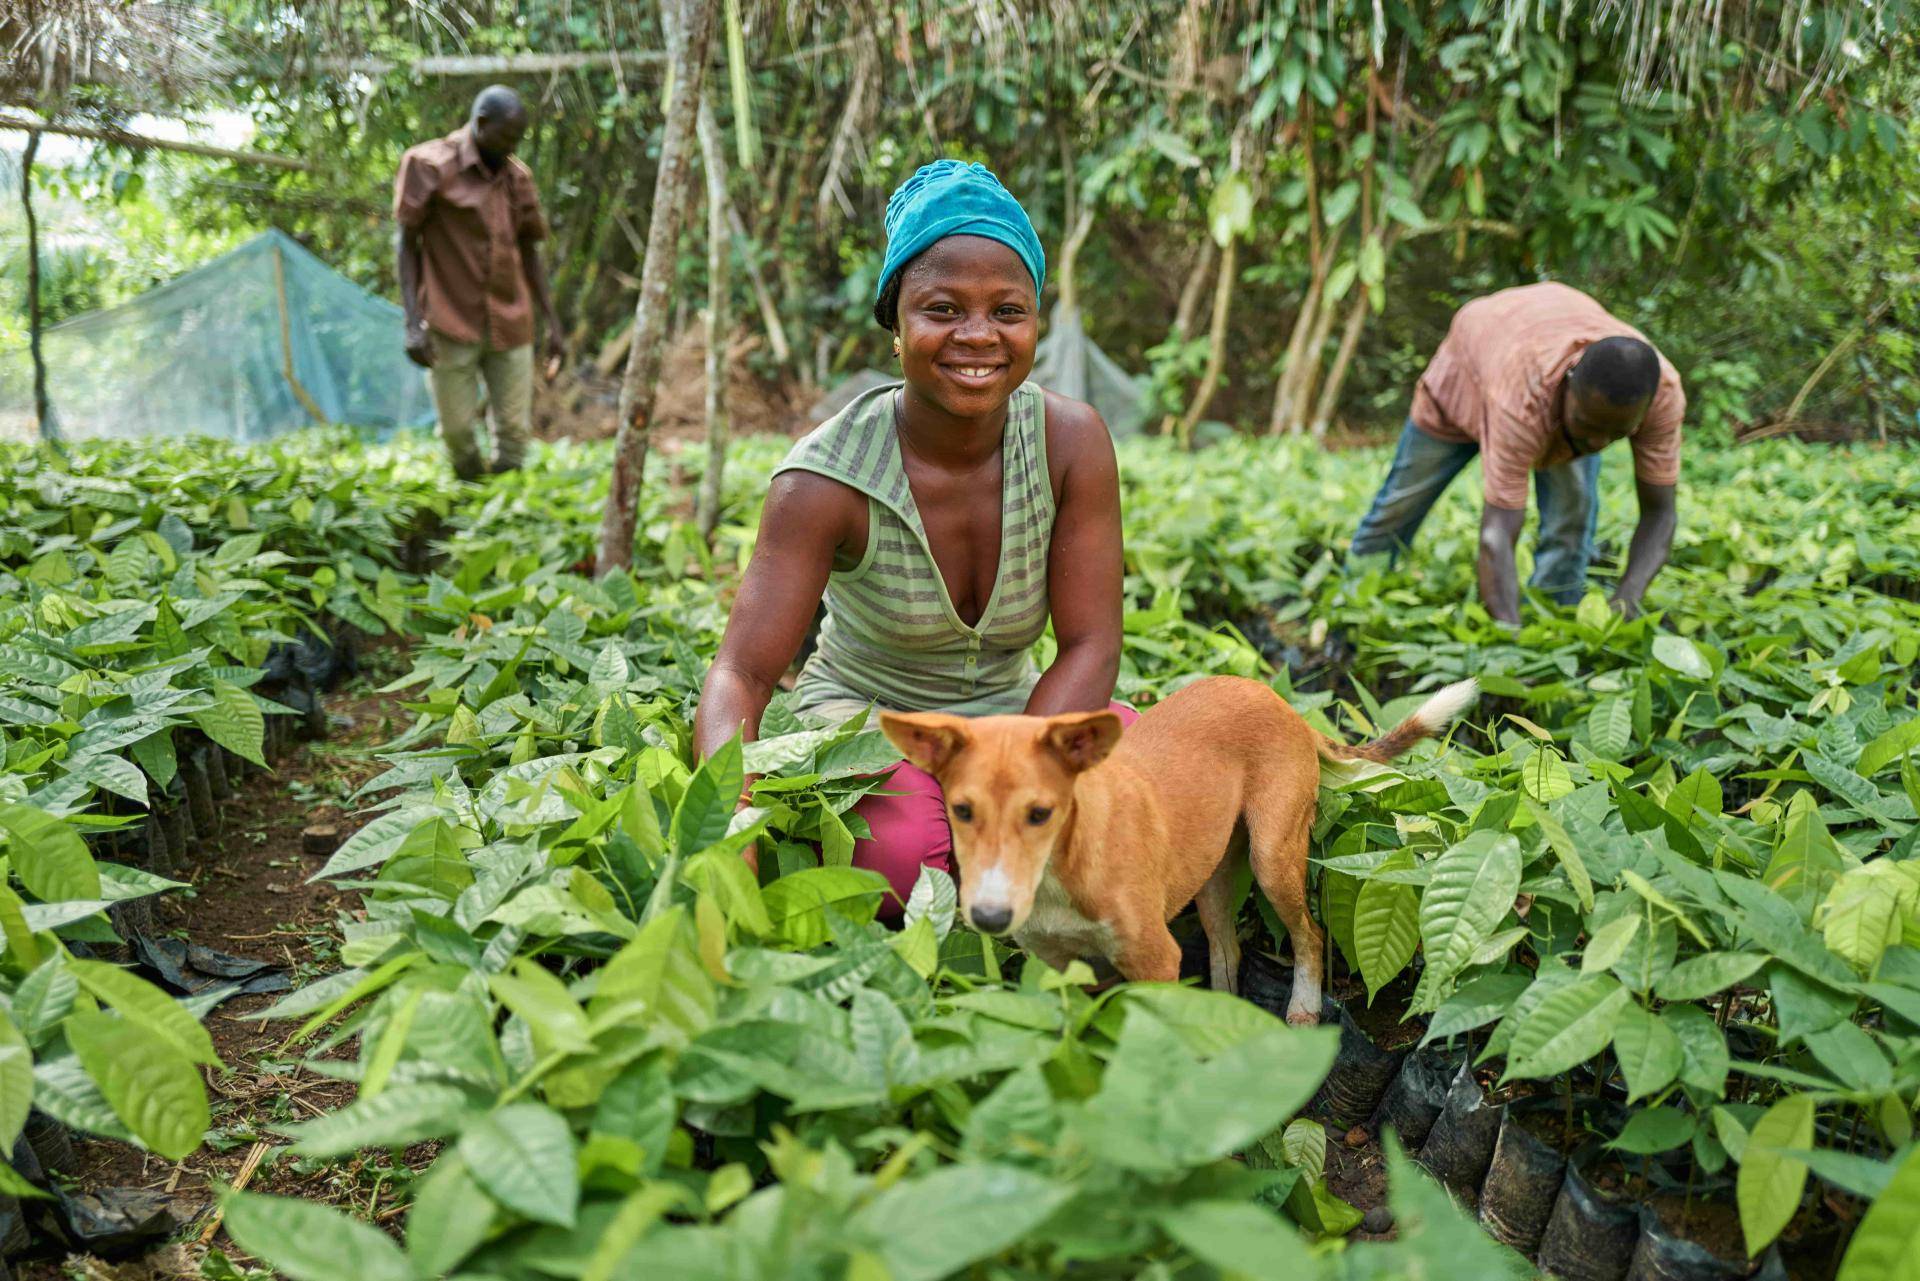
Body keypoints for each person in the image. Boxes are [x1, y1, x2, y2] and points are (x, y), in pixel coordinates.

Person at [693, 159, 1127, 914]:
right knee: (907, 863)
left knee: (1141, 774)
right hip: (872, 721)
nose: (978, 336)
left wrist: (1010, 772)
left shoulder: (1070, 443)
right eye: (943, 309)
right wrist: (732, 809)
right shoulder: (823, 480)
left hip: (1013, 713)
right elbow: (743, 671)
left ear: (1035, 323)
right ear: (896, 325)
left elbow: (1091, 644)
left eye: (1007, 311)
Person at [1348, 282, 1683, 623]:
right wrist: (1509, 641)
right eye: (1589, 424)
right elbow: (1497, 534)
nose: (1598, 443)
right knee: (1400, 504)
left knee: (1572, 514)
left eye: (1616, 433)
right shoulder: (1522, 398)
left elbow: (1661, 512)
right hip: (1469, 371)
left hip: (1546, 355)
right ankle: (1353, 600)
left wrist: (1626, 600)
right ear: (1568, 385)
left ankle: (1557, 609)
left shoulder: (1662, 395)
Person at [393, 85, 562, 481]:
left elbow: (530, 251)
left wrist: (553, 323)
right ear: (481, 124)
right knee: (457, 432)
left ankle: (503, 513)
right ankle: (471, 498)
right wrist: (412, 322)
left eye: (517, 139)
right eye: (506, 137)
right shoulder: (428, 165)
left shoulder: (517, 177)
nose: (511, 147)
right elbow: (405, 245)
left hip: (511, 319)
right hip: (450, 320)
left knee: (514, 432)